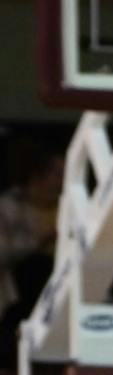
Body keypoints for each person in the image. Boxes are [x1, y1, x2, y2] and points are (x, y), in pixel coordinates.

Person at [0, 138, 60, 329]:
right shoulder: (9, 207)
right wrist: (39, 240)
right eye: (57, 174)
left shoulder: (68, 208)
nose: (63, 181)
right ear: (37, 176)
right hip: (18, 300)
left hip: (59, 299)